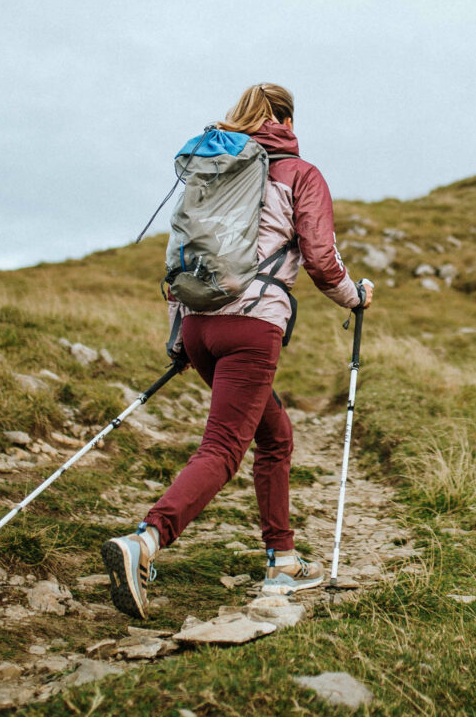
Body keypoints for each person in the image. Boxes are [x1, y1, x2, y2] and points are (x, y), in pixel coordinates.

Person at [103, 82, 374, 620]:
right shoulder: (300, 174)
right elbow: (320, 258)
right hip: (250, 329)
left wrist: (180, 334)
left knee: (275, 436)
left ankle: (284, 558)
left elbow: (183, 254)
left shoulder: (213, 171)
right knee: (224, 447)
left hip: (200, 327)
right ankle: (145, 540)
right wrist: (355, 296)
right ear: (285, 121)